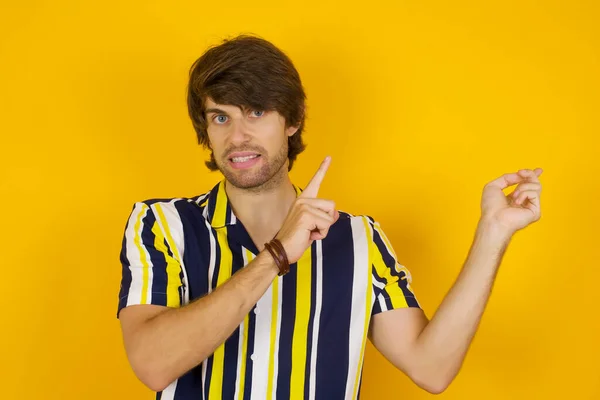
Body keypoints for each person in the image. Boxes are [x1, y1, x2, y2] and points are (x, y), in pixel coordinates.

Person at [116, 34, 543, 400]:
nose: (238, 136)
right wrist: (277, 254)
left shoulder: (358, 237)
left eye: (257, 112)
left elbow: (431, 368)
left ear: (293, 119)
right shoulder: (162, 224)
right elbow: (153, 364)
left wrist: (494, 233)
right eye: (221, 117)